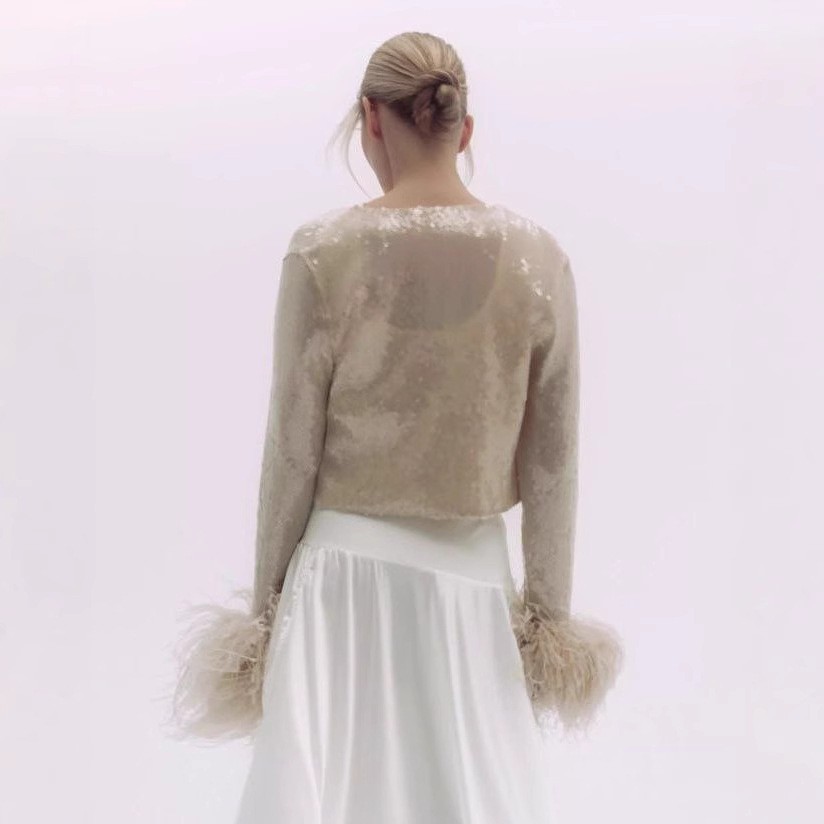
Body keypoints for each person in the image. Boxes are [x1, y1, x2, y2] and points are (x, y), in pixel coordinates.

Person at [165, 30, 624, 824]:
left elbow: (291, 448)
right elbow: (554, 461)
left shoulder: (325, 251)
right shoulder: (538, 259)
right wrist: (547, 617)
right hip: (472, 586)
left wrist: (265, 613)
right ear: (464, 128)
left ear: (371, 119)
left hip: (339, 580)